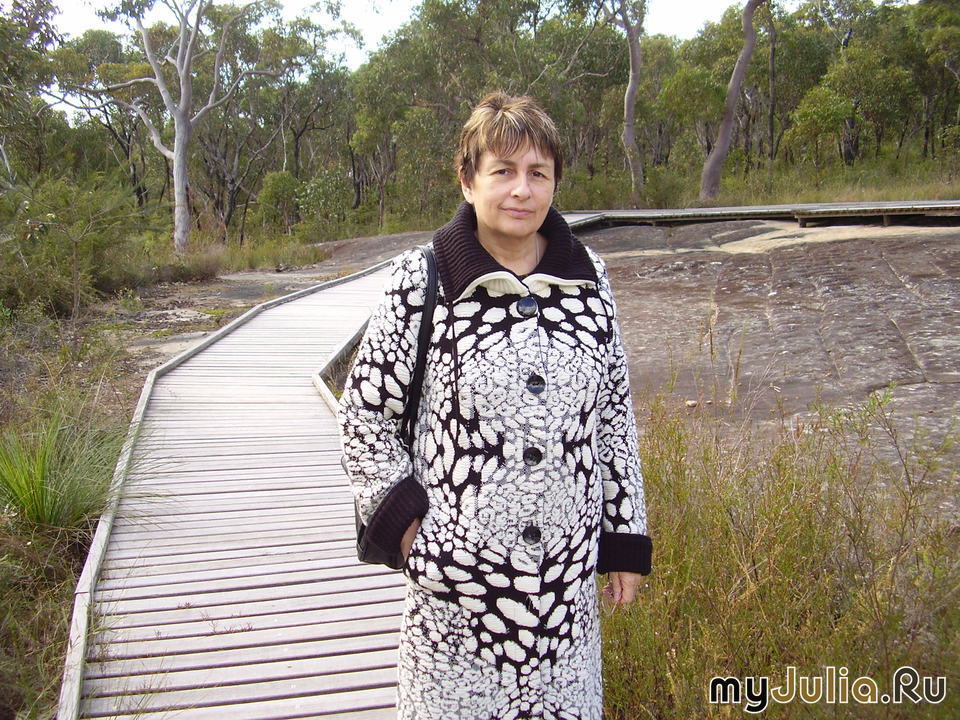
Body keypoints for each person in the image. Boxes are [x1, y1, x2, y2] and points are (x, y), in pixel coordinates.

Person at [336, 90, 652, 720]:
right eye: (503, 171)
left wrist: (624, 537)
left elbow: (613, 416)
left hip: (564, 599)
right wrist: (413, 535)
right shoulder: (422, 280)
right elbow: (364, 415)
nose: (521, 190)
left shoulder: (590, 281)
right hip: (457, 599)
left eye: (539, 173)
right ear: (468, 179)